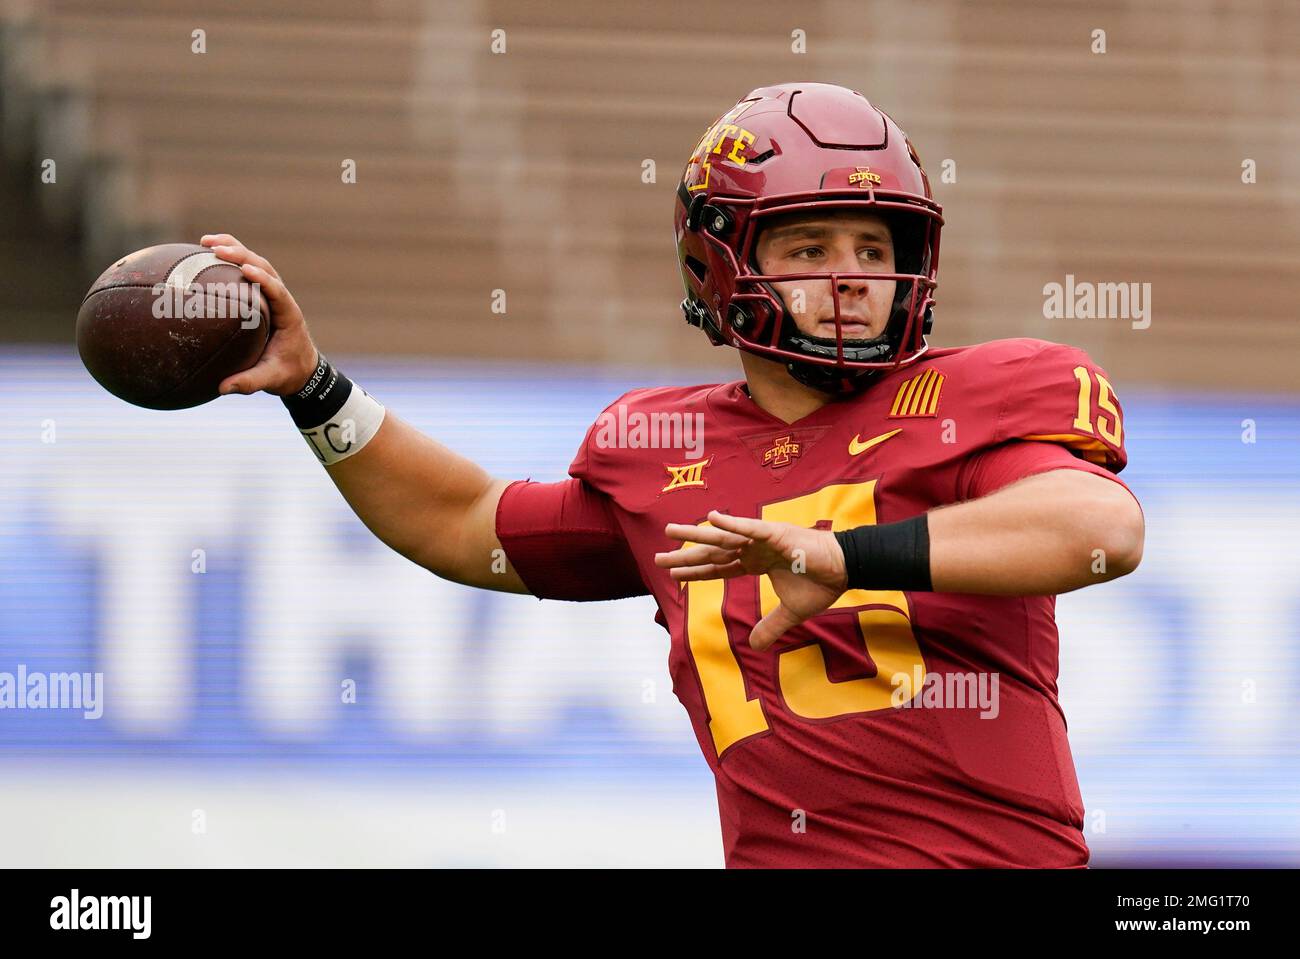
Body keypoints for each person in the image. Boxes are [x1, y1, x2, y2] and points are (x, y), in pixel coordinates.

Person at [203, 81, 1144, 868]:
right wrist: (316, 389)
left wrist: (843, 553)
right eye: (809, 247)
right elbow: (463, 524)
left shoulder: (973, 398)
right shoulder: (659, 447)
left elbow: (1099, 529)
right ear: (719, 263)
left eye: (874, 247)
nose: (853, 275)